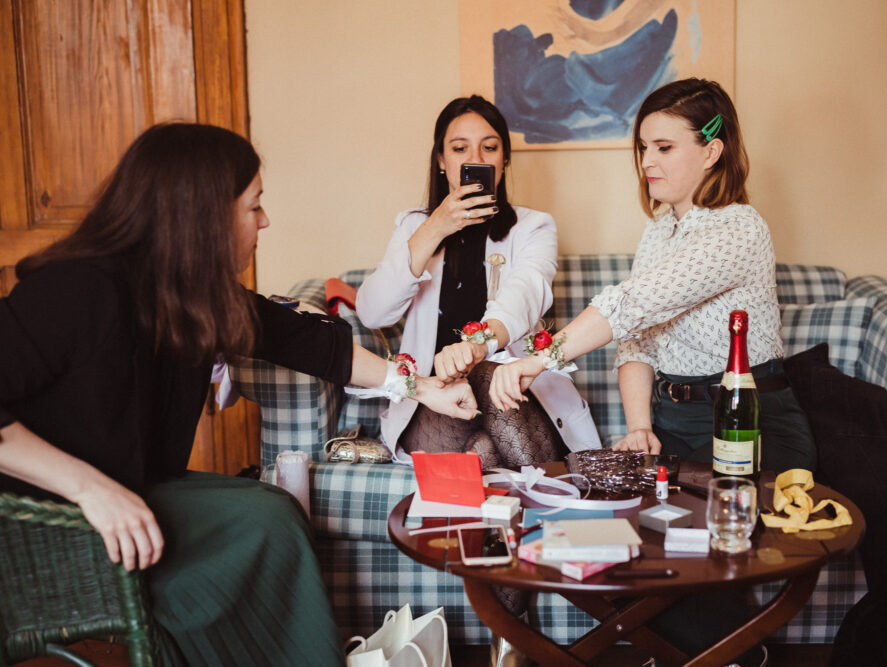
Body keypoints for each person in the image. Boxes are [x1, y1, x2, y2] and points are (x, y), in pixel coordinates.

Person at [0, 123, 477, 667]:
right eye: (254, 206)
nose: (264, 220)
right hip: (41, 516)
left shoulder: (191, 294)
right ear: (203, 215)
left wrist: (421, 388)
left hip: (131, 491)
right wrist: (91, 489)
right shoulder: (77, 288)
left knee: (273, 510)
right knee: (262, 524)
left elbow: (308, 343)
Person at [489, 78, 815, 667]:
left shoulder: (740, 228)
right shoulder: (659, 229)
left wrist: (539, 358)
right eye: (643, 147)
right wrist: (640, 425)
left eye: (664, 147)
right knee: (619, 542)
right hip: (674, 423)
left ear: (712, 150)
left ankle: (732, 656)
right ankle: (698, 654)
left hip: (746, 422)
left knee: (694, 549)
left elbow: (633, 304)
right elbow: (635, 339)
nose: (647, 162)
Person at [356, 95, 600, 470]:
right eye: (460, 148)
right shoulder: (414, 226)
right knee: (482, 428)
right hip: (435, 402)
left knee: (486, 416)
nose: (477, 159)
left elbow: (526, 292)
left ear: (505, 159)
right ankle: (557, 495)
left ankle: (520, 497)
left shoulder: (533, 227)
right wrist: (436, 227)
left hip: (515, 397)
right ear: (441, 160)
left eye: (490, 147)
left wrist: (477, 346)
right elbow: (373, 313)